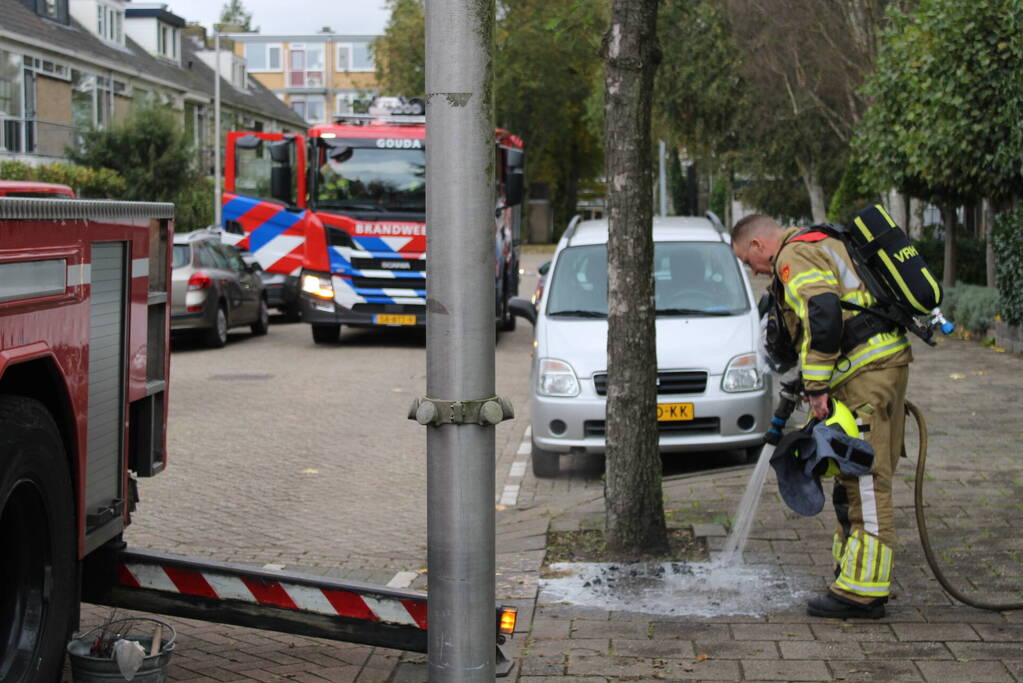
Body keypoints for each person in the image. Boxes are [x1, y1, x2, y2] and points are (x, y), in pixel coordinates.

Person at [731, 214, 912, 619]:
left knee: (864, 478)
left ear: (759, 245)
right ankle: (852, 574)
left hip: (866, 376)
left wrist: (815, 385)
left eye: (749, 261)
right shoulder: (822, 241)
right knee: (855, 476)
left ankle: (863, 594)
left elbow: (823, 313)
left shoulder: (793, 255)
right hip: (877, 368)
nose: (755, 270)